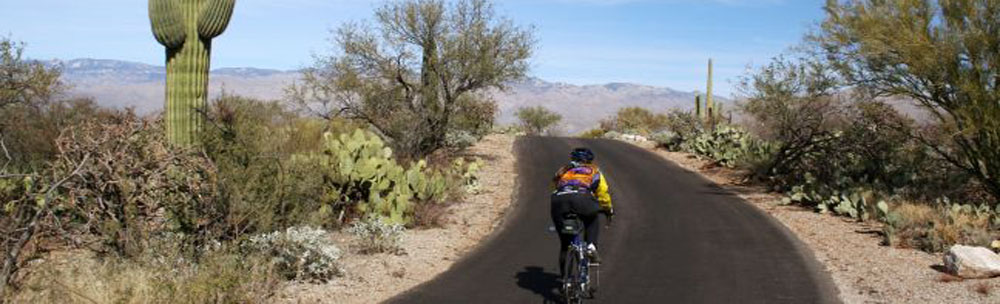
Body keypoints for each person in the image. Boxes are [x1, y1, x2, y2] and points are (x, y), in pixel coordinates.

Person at [551, 147, 614, 277]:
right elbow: (603, 193)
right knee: (592, 218)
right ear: (590, 160)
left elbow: (556, 187)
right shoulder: (594, 171)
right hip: (582, 199)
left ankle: (565, 281)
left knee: (565, 244)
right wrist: (607, 209)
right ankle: (591, 246)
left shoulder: (563, 171)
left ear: (572, 159)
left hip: (558, 201)